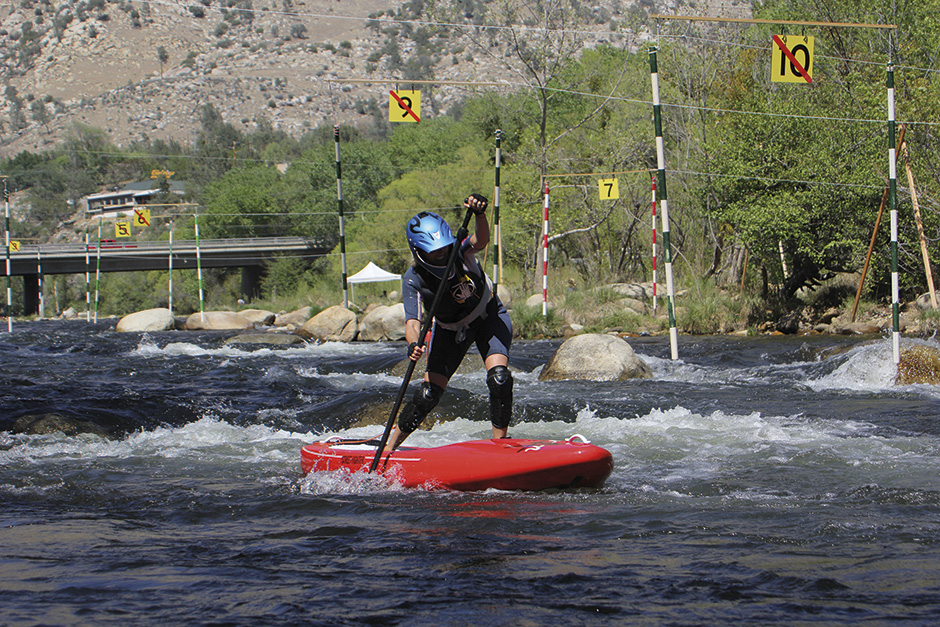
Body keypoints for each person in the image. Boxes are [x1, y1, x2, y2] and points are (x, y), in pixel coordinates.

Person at [383, 193, 513, 452]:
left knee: (499, 379)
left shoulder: (459, 251)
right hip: (449, 330)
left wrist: (479, 214)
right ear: (419, 252)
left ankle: (500, 444)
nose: (442, 254)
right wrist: (413, 345)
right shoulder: (414, 279)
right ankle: (389, 447)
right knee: (428, 395)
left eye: (444, 248)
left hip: (488, 317)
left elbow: (482, 239)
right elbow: (412, 322)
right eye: (434, 253)